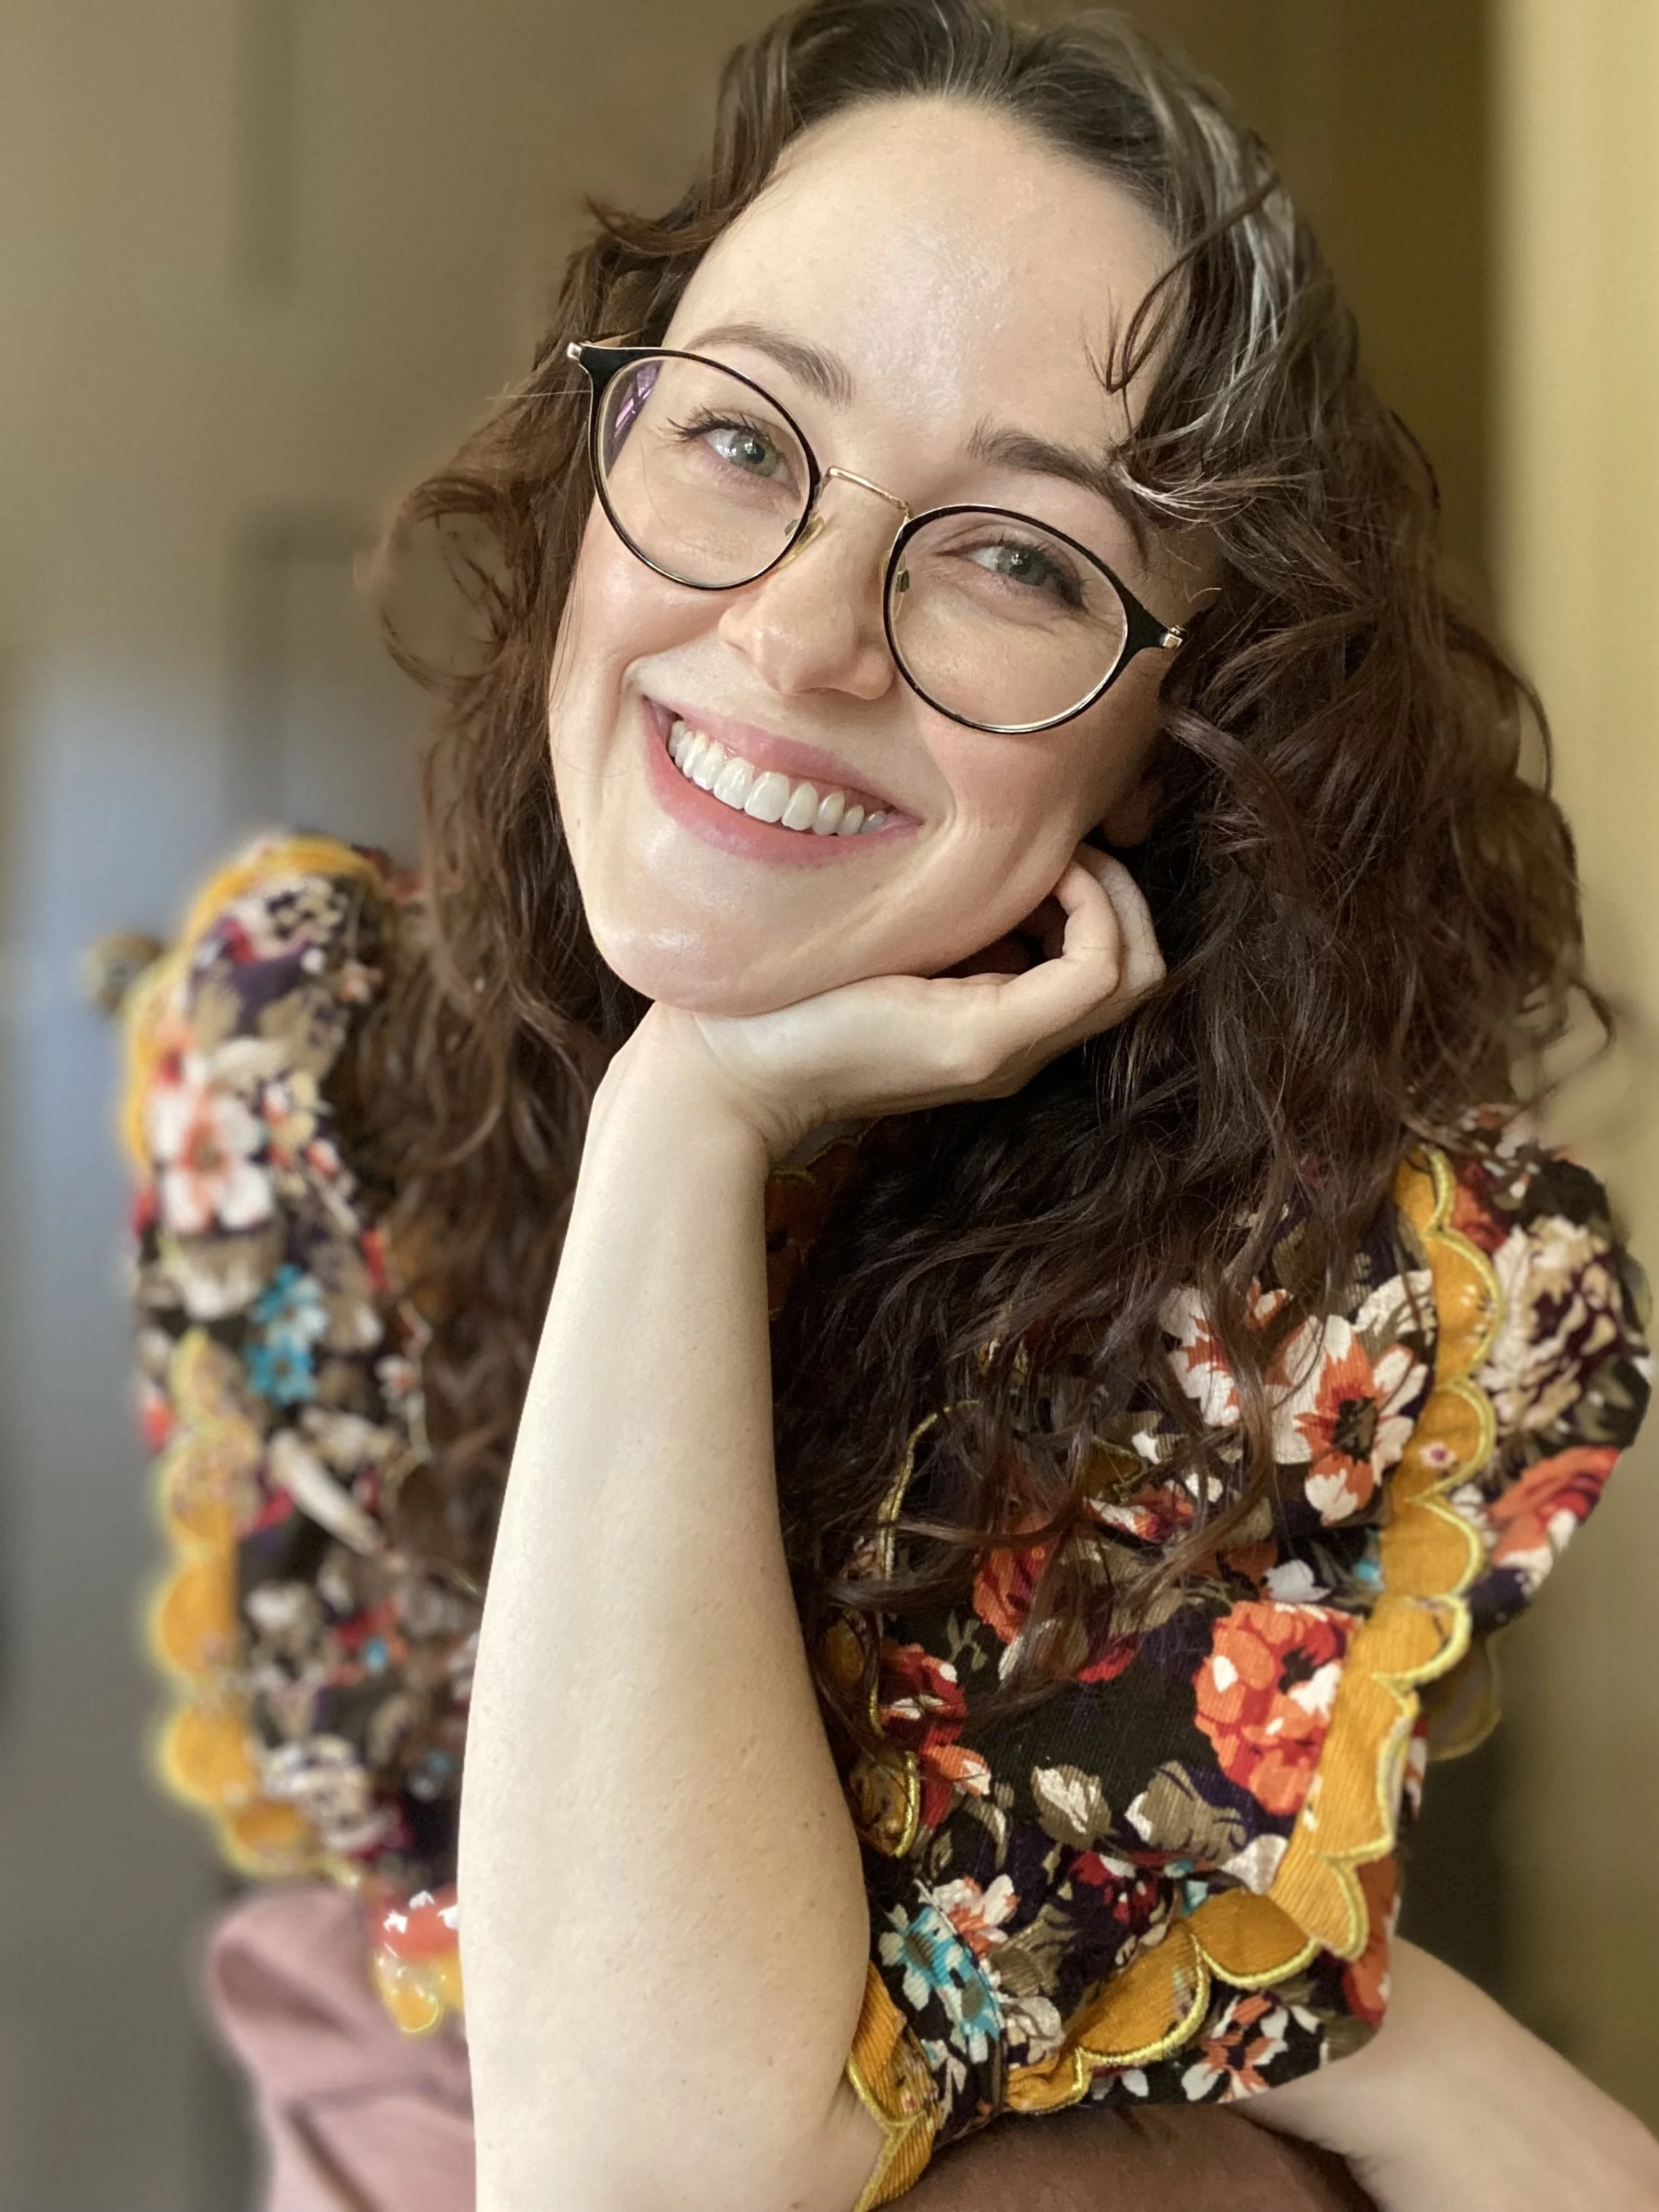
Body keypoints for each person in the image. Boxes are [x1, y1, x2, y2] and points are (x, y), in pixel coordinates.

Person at [124, 3, 1659, 2208]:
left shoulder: (1338, 1305)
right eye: (743, 440)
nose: (797, 633)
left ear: (1176, 747)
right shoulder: (315, 1059)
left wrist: (679, 1119)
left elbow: (651, 2184)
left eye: (1018, 558)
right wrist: (1381, 2032)